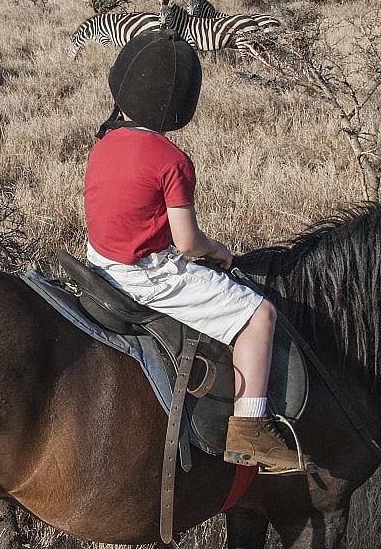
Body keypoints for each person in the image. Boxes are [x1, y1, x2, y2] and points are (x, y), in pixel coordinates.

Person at [83, 29, 316, 474]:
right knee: (259, 315)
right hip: (144, 274)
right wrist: (219, 251)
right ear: (179, 103)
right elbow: (187, 242)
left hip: (100, 261)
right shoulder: (171, 159)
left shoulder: (104, 141)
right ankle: (250, 432)